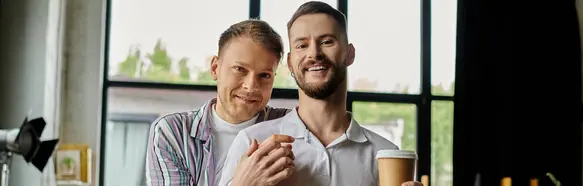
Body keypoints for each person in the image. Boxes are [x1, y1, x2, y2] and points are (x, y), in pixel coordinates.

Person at [219, 2, 423, 186]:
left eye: (327, 42)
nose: (314, 53)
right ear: (290, 62)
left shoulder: (385, 154)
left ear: (349, 53)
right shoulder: (252, 142)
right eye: (302, 45)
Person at [145, 19, 296, 186]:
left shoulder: (290, 126)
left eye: (264, 75)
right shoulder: (173, 132)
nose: (251, 86)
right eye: (240, 69)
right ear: (215, 68)